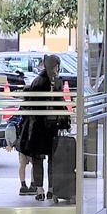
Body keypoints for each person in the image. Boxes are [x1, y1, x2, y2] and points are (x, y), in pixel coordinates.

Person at [17, 54, 67, 201]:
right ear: (56, 66)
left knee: (38, 159)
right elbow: (60, 102)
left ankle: (39, 190)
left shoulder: (37, 81)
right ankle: (52, 189)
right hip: (52, 127)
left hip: (36, 127)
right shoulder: (56, 82)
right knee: (52, 159)